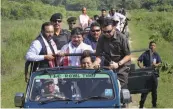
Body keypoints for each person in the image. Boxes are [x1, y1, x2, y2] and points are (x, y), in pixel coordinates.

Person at [93, 18, 131, 89]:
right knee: (105, 87)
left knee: (119, 88)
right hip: (108, 66)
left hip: (122, 67)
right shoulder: (101, 38)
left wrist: (118, 64)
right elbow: (99, 55)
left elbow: (128, 56)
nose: (106, 34)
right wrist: (96, 62)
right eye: (104, 32)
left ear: (114, 28)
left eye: (109, 31)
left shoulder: (122, 38)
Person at [138, 41, 162, 108]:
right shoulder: (145, 54)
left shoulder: (156, 55)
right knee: (144, 91)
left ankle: (154, 105)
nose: (152, 47)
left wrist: (156, 64)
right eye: (151, 45)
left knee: (154, 92)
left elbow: (160, 63)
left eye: (154, 45)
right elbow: (139, 61)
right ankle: (141, 105)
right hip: (146, 75)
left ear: (155, 47)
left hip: (154, 75)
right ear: (149, 46)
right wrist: (141, 67)